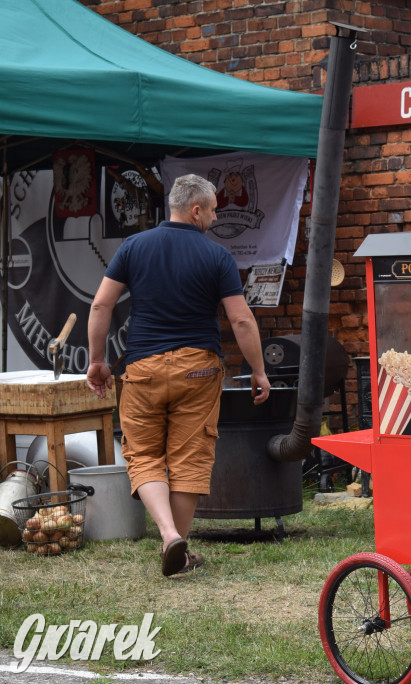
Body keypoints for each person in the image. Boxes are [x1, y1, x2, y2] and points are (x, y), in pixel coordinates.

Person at [86, 174, 270, 578]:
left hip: (144, 368)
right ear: (196, 209)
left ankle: (170, 536)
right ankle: (177, 548)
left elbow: (101, 306)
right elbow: (240, 319)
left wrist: (97, 360)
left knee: (144, 455)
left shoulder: (134, 247)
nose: (215, 217)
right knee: (189, 459)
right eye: (213, 210)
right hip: (198, 369)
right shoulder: (217, 256)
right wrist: (257, 370)